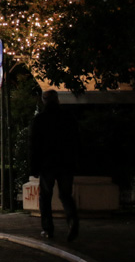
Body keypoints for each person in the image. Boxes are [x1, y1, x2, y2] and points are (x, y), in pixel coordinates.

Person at [29, 89, 80, 241]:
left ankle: (48, 229)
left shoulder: (40, 119)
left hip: (47, 164)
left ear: (44, 101)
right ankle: (72, 220)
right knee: (65, 195)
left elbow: (34, 145)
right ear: (57, 99)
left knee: (45, 196)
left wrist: (34, 167)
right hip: (65, 162)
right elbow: (75, 140)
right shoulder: (68, 118)